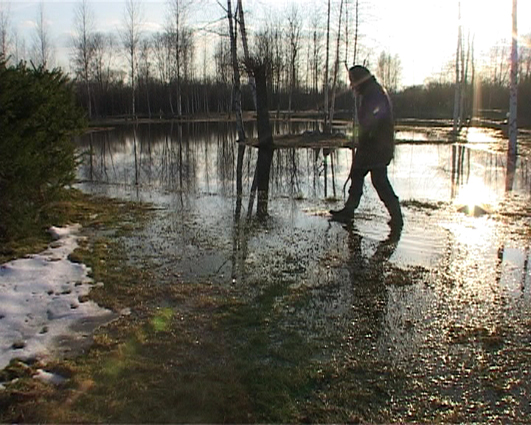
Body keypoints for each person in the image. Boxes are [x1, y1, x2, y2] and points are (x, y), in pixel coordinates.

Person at [330, 65, 403, 228]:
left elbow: (371, 121)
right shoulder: (371, 92)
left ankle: (396, 216)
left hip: (376, 147)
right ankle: (351, 210)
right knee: (360, 174)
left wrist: (361, 138)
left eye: (352, 81)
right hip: (375, 145)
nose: (351, 85)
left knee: (377, 180)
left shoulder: (373, 94)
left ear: (359, 79)